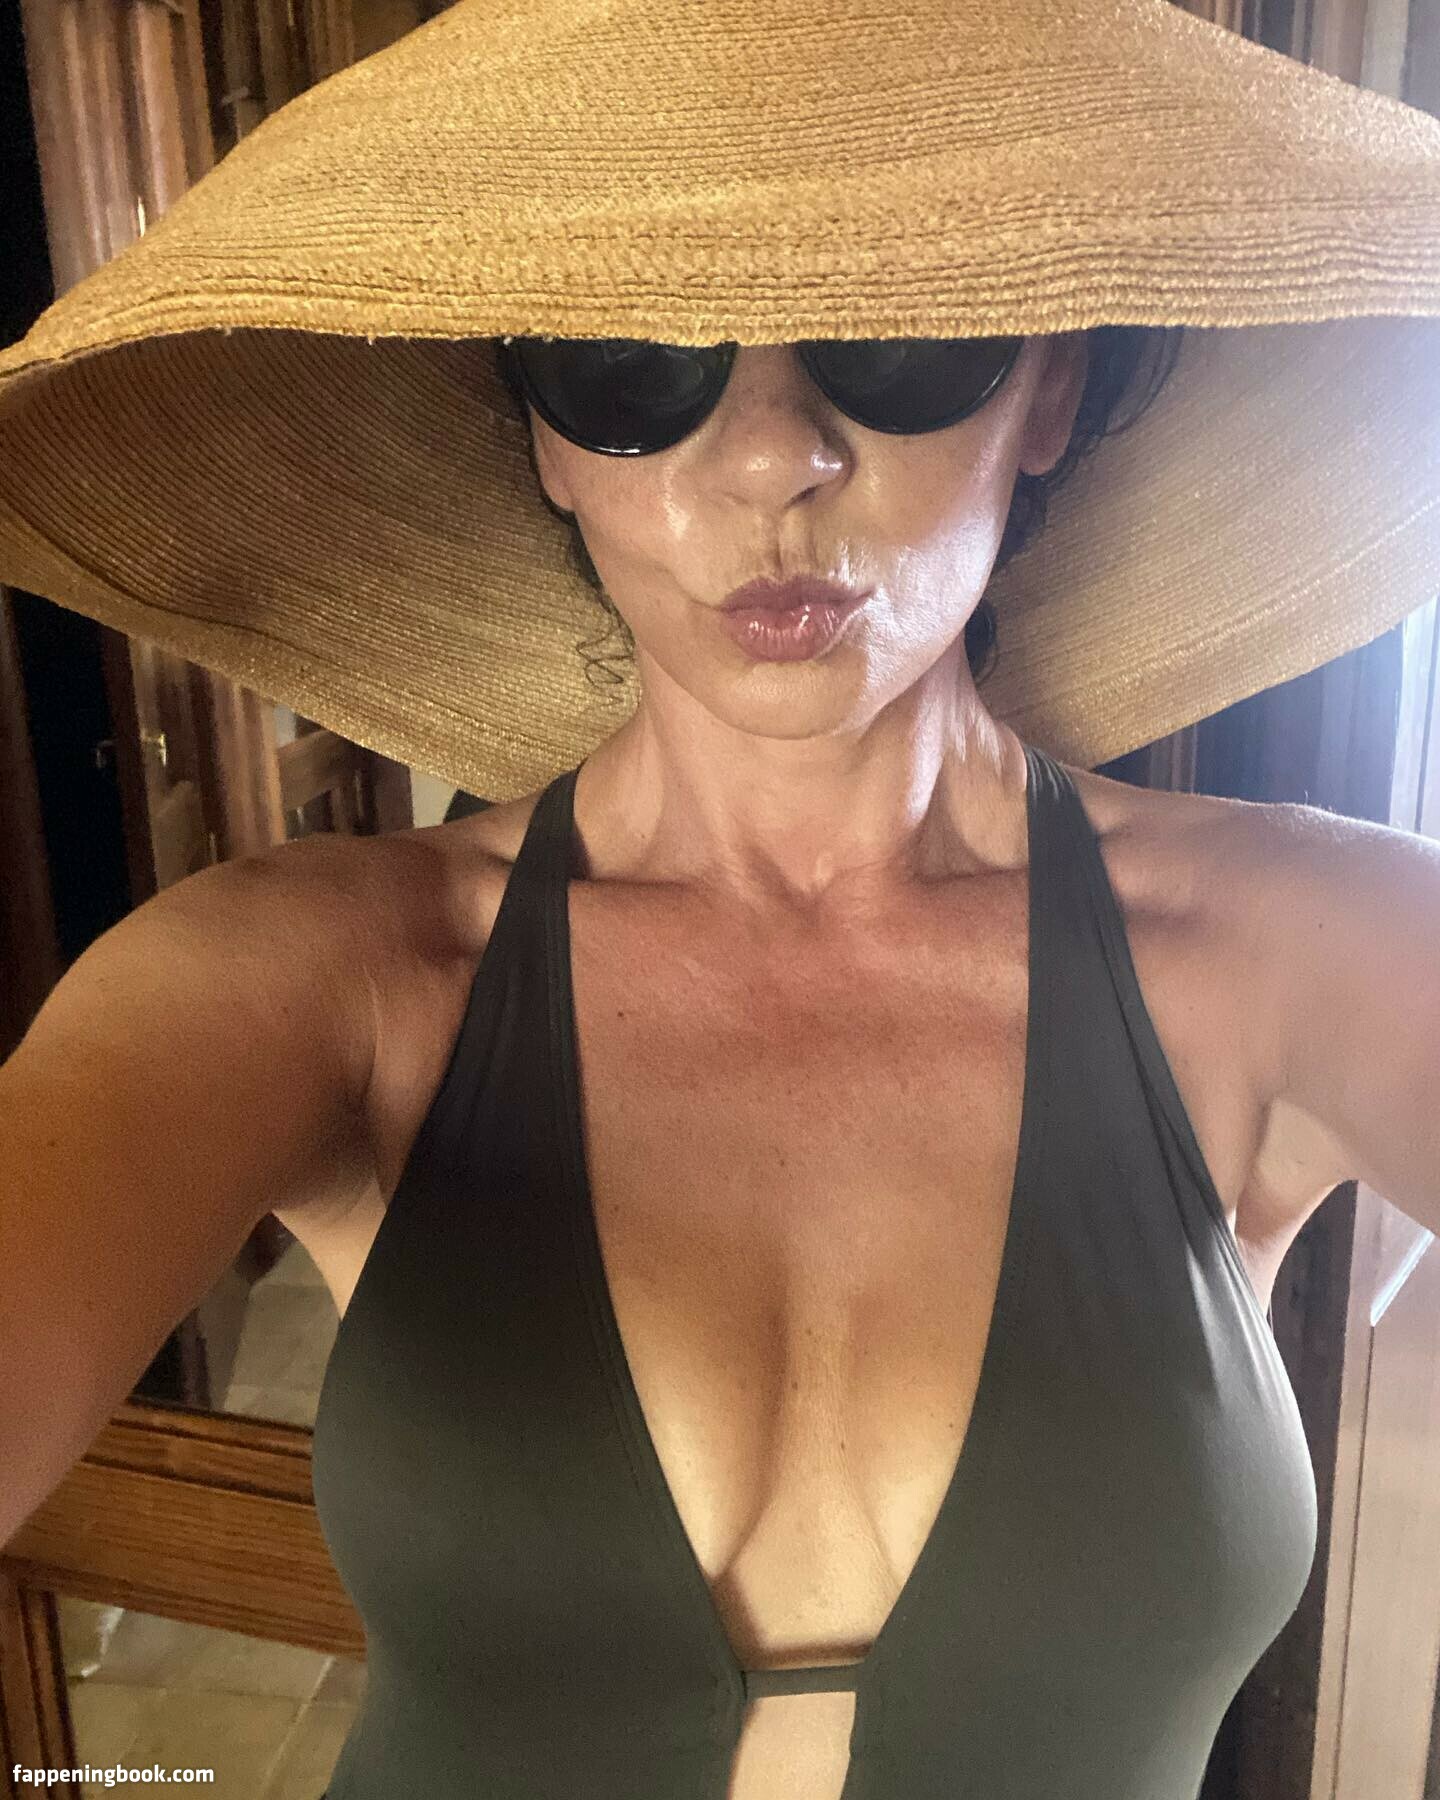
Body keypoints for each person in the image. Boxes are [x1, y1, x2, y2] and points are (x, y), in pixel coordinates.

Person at [2, 2, 1440, 1796]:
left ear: (1052, 382)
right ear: (544, 438)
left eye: (895, 325)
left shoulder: (1304, 949)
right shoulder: (333, 977)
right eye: (634, 353)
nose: (771, 458)